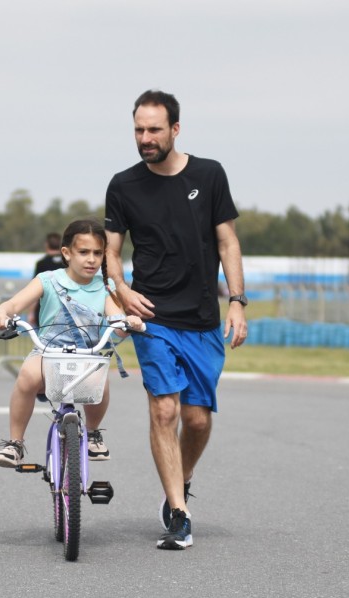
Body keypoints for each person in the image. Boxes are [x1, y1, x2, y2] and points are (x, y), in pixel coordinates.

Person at [104, 89, 248, 550]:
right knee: (164, 409)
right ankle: (178, 515)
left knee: (198, 419)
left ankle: (179, 483)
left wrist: (238, 302)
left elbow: (227, 243)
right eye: (138, 130)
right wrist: (123, 290)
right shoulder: (123, 185)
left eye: (153, 130)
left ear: (175, 129)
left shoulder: (209, 175)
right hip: (153, 316)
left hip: (203, 318)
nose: (145, 138)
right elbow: (110, 252)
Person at [0, 218, 143, 468]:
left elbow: (116, 319)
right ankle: (14, 443)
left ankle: (92, 433)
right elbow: (14, 304)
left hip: (87, 354)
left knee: (100, 382)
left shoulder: (105, 287)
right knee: (27, 376)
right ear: (66, 253)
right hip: (48, 351)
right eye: (83, 252)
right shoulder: (48, 280)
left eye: (97, 253)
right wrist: (2, 314)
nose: (91, 259)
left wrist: (127, 323)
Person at [30, 232, 66, 324]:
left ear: (46, 244)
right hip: (66, 308)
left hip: (44, 309)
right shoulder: (68, 262)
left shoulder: (41, 263)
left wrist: (31, 313)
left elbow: (34, 290)